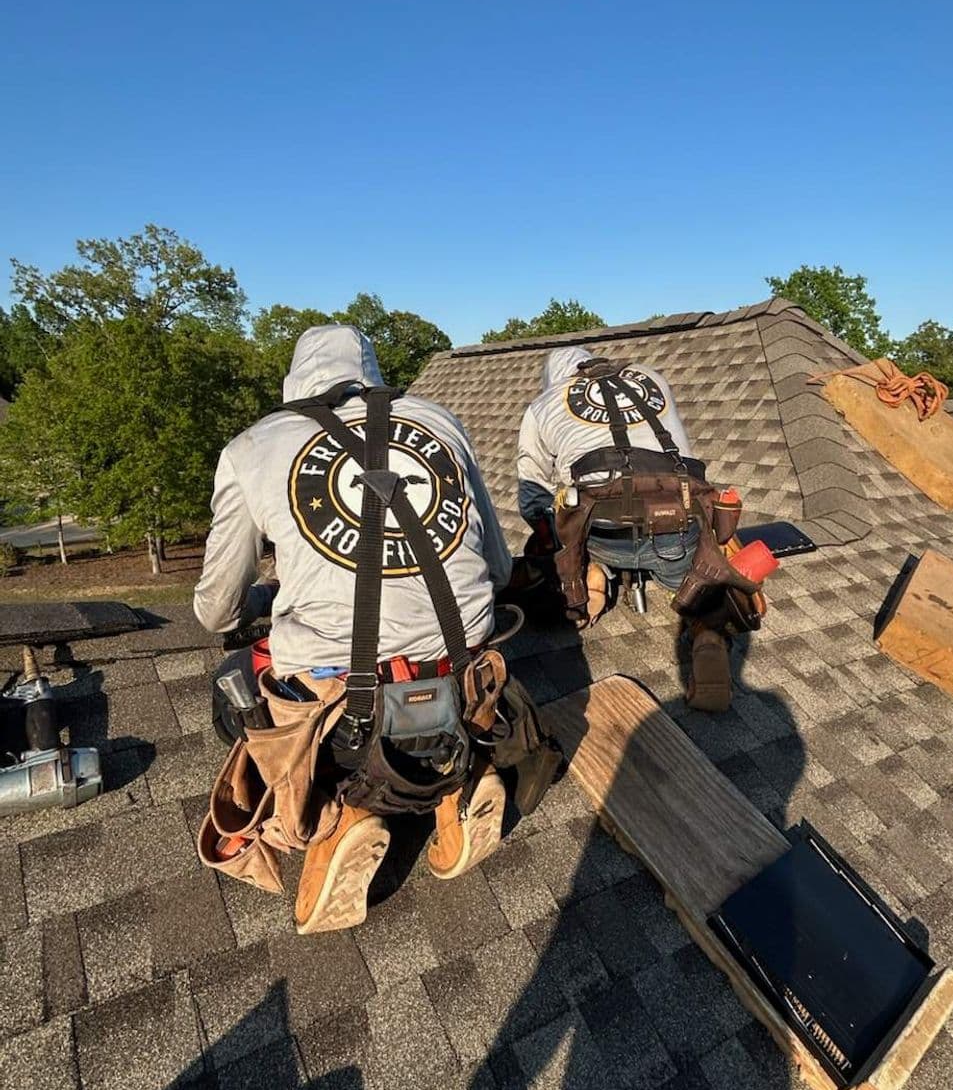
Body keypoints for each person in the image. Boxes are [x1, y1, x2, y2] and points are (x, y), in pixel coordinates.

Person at [194, 324, 516, 932]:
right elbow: (498, 569)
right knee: (436, 662)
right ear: (371, 372)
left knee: (234, 678)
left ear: (295, 380)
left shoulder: (253, 446)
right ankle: (456, 791)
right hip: (467, 679)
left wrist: (266, 599)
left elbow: (217, 612)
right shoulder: (441, 421)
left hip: (344, 714)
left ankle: (340, 816)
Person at [517, 345, 744, 711]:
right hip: (678, 521)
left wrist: (552, 541)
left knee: (567, 509)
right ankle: (707, 632)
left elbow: (531, 491)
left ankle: (592, 580)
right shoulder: (650, 376)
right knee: (697, 591)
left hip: (605, 533)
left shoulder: (544, 404)